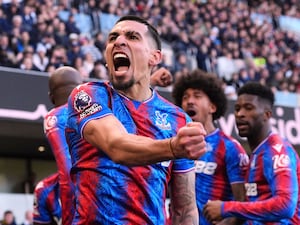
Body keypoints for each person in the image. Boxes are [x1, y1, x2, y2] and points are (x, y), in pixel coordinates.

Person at [66, 15, 207, 224]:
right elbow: (117, 146)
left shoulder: (178, 120)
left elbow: (184, 210)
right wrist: (173, 147)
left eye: (132, 37)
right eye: (113, 38)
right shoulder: (87, 96)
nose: (119, 42)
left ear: (154, 57)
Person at [203, 82, 300, 224]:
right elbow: (252, 210)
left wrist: (226, 207)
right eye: (237, 108)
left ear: (267, 115)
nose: (240, 114)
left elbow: (285, 205)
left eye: (249, 108)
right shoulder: (256, 154)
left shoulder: (276, 150)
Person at [172, 69, 249, 225]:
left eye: (197, 96)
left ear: (212, 107)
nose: (189, 101)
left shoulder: (230, 147)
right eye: (185, 97)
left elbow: (244, 204)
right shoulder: (175, 146)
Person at [43, 66, 83, 225]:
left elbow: (68, 172)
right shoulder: (102, 110)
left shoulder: (55, 117)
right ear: (81, 88)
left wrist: (68, 219)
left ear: (51, 98)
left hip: (83, 207)